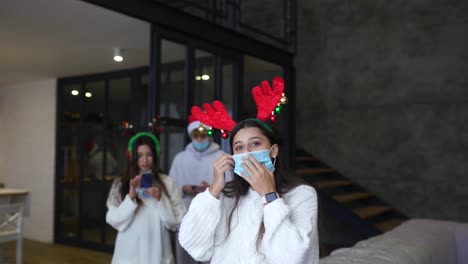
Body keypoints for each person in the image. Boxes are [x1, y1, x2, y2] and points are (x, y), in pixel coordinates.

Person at [178, 118, 319, 264]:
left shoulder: (302, 194)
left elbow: (293, 258)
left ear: (274, 151)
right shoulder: (226, 196)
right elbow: (194, 246)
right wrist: (213, 190)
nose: (247, 153)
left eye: (255, 143)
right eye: (239, 148)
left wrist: (269, 196)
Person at [106, 132, 186, 264]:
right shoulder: (121, 183)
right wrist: (130, 197)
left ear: (155, 156)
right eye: (139, 155)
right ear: (132, 157)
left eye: (149, 155)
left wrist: (161, 199)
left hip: (158, 253)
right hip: (128, 254)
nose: (145, 160)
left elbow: (177, 221)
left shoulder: (167, 182)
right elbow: (113, 219)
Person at [169, 117, 226, 264]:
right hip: (186, 218)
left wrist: (213, 189)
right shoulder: (180, 158)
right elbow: (170, 188)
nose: (200, 139)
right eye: (196, 136)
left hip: (213, 220)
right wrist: (184, 188)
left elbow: (231, 189)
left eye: (203, 135)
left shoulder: (221, 157)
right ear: (191, 136)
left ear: (209, 135)